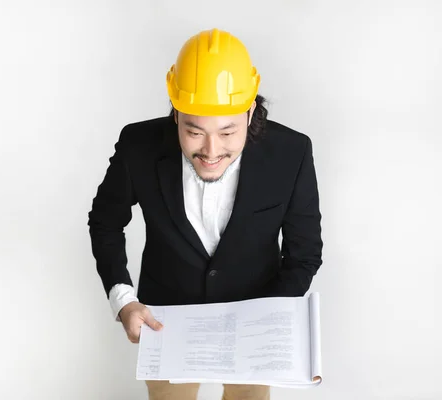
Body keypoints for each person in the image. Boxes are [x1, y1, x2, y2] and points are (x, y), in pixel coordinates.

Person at [88, 28, 323, 400]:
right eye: (194, 132)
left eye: (228, 132)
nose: (211, 150)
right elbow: (105, 220)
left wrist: (270, 321)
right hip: (166, 317)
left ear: (250, 110)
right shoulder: (138, 146)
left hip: (254, 316)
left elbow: (304, 252)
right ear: (176, 110)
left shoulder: (292, 152)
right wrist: (123, 299)